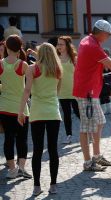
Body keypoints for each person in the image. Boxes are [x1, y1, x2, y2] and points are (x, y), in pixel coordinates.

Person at [73, 19, 111, 171]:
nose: (108, 37)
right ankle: (88, 162)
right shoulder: (92, 46)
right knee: (86, 126)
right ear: (101, 33)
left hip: (89, 90)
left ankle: (96, 156)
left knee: (99, 122)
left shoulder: (88, 40)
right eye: (108, 35)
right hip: (86, 92)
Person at [18, 43, 62, 196]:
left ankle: (36, 186)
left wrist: (21, 111)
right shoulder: (57, 69)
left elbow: (27, 90)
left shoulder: (32, 69)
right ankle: (53, 185)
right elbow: (57, 90)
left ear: (39, 53)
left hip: (37, 111)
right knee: (53, 149)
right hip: (52, 112)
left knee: (37, 150)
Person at [0, 35, 31, 179]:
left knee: (8, 139)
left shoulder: (0, 63)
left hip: (4, 106)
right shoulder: (23, 64)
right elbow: (29, 87)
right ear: (20, 48)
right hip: (21, 107)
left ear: (6, 47)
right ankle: (22, 168)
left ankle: (12, 170)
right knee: (22, 139)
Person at [56, 36, 80, 144]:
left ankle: (88, 132)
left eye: (61, 44)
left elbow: (80, 74)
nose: (59, 46)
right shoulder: (56, 58)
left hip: (75, 91)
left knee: (78, 112)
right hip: (62, 91)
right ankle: (68, 135)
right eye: (58, 44)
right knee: (66, 114)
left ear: (67, 46)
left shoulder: (74, 58)